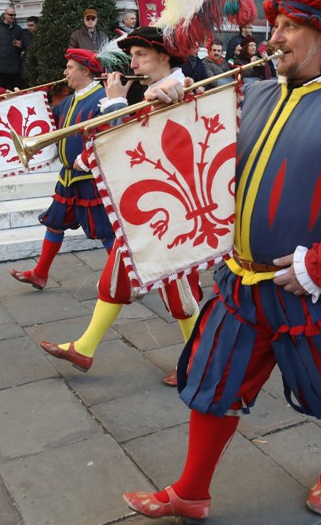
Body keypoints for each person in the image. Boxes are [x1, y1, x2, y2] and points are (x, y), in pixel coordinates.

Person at [121, 0, 321, 521]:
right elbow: (200, 155)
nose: (275, 37)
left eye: (290, 27)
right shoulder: (255, 93)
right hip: (240, 283)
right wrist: (175, 100)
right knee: (213, 382)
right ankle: (191, 491)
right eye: (276, 25)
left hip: (317, 289)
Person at [39, 26, 203, 387]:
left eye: (140, 55)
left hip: (169, 209)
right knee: (115, 278)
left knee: (179, 292)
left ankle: (200, 360)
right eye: (132, 56)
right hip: (147, 207)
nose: (133, 64)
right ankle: (84, 348)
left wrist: (115, 103)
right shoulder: (157, 90)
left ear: (164, 57)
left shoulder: (183, 90)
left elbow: (137, 147)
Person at [10, 48, 114, 290]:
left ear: (85, 70)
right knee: (55, 223)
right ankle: (39, 274)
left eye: (69, 67)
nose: (65, 72)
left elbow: (108, 135)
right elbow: (44, 121)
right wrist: (20, 102)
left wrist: (87, 158)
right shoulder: (69, 100)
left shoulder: (102, 98)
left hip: (91, 177)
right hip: (68, 176)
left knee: (106, 230)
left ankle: (128, 278)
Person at [0, 5, 24, 91]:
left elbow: (22, 46)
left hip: (15, 65)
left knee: (15, 90)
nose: (13, 17)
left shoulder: (18, 29)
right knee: (3, 91)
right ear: (5, 15)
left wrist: (20, 46)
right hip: (1, 66)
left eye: (14, 15)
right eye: (11, 15)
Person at [21, 16, 38, 86]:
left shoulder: (42, 35)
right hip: (27, 64)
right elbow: (23, 48)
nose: (29, 27)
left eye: (31, 25)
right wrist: (20, 46)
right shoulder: (25, 35)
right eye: (28, 26)